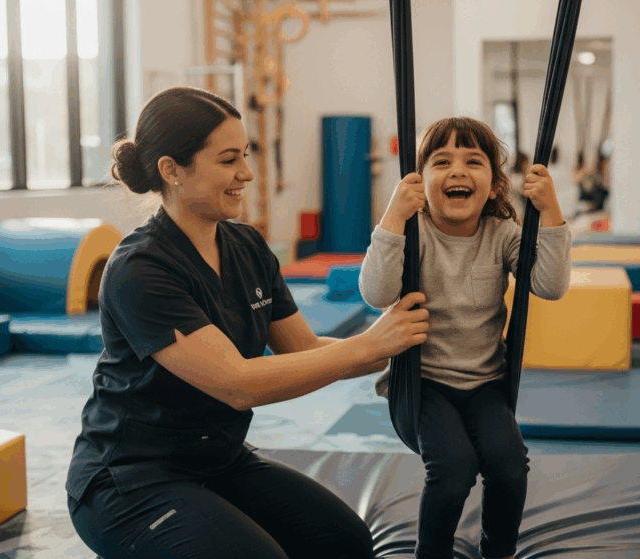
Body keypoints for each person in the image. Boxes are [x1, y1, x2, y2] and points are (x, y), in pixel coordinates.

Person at [65, 86, 430, 559]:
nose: (247, 173)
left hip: (217, 460)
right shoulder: (141, 268)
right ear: (171, 170)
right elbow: (237, 384)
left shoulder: (246, 247)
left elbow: (302, 350)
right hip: (131, 479)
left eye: (247, 154)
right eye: (228, 160)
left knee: (345, 543)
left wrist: (398, 339)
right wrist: (366, 347)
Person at [358, 117, 572, 559]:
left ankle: (499, 551)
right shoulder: (412, 232)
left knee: (510, 466)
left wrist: (550, 211)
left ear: (495, 185)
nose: (457, 171)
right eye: (442, 162)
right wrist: (394, 215)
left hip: (485, 383)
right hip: (422, 385)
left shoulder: (503, 235)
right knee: (454, 469)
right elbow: (376, 293)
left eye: (473, 162)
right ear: (420, 181)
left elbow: (549, 285)